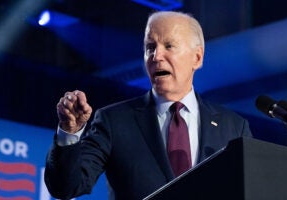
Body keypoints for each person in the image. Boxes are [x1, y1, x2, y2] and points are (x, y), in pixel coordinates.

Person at [44, 11, 252, 200]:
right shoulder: (114, 121)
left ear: (197, 57)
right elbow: (66, 187)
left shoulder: (233, 127)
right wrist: (69, 133)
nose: (156, 56)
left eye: (169, 46)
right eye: (150, 47)